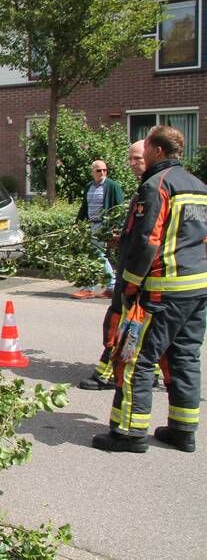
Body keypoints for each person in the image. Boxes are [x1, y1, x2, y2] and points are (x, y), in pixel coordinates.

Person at [92, 126, 207, 453]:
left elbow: (149, 241)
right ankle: (183, 430)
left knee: (135, 359)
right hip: (197, 289)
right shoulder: (199, 187)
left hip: (162, 291)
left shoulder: (157, 186)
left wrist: (128, 284)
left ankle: (129, 434)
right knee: (184, 357)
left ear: (157, 150)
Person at [79, 142, 145, 390]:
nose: (132, 163)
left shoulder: (154, 189)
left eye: (137, 158)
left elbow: (147, 237)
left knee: (120, 320)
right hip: (137, 270)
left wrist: (132, 279)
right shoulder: (148, 188)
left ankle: (109, 372)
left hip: (136, 275)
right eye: (130, 158)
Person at [71, 160, 124, 299]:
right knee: (93, 255)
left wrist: (115, 227)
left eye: (105, 170)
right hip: (90, 225)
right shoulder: (89, 186)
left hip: (103, 226)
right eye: (99, 170)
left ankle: (104, 286)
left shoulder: (112, 186)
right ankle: (99, 287)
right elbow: (84, 207)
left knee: (97, 255)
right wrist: (78, 224)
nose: (103, 173)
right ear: (92, 171)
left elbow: (119, 208)